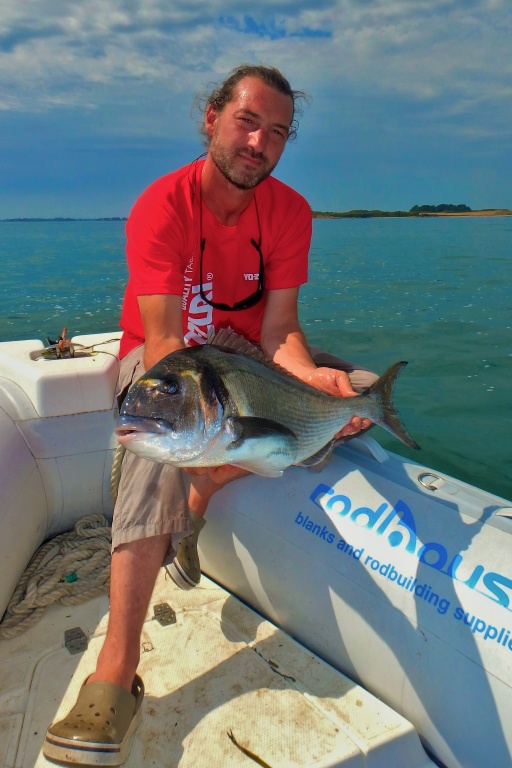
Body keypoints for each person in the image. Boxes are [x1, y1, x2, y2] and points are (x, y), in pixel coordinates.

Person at [43, 63, 377, 767]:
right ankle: (116, 667)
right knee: (155, 449)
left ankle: (200, 493)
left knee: (362, 389)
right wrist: (197, 405)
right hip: (174, 365)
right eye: (247, 122)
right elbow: (164, 341)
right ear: (212, 119)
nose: (260, 142)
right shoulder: (162, 205)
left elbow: (282, 327)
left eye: (277, 132)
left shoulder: (289, 211)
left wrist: (315, 377)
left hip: (253, 359)